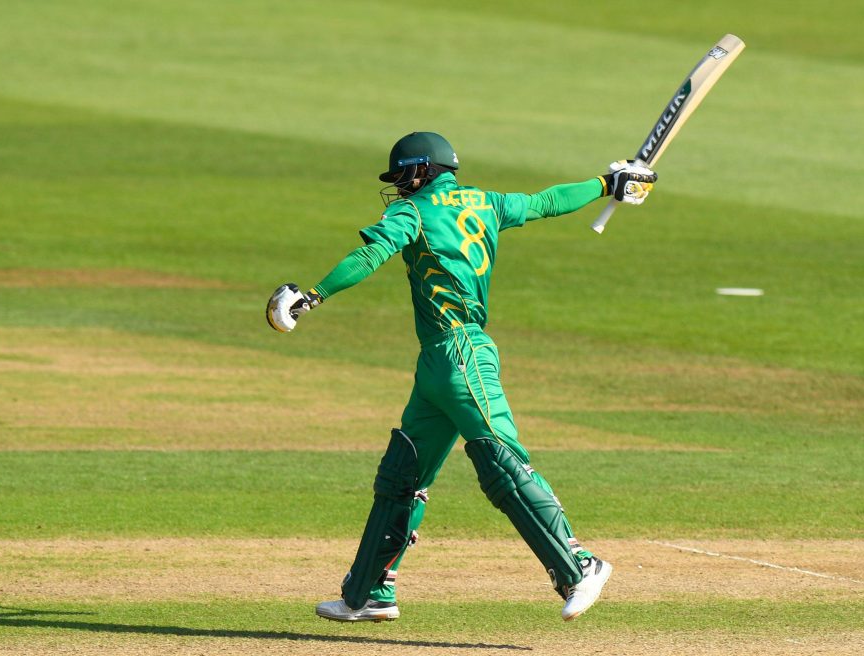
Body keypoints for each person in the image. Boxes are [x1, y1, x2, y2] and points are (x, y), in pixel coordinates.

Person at [266, 132, 656, 622]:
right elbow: (546, 202)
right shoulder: (485, 202)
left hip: (460, 354)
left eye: (403, 175)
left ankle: (581, 565)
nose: (399, 187)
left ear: (422, 170)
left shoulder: (412, 213)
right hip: (437, 363)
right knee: (401, 476)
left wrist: (311, 298)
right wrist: (607, 183)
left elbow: (369, 256)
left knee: (501, 464)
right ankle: (369, 593)